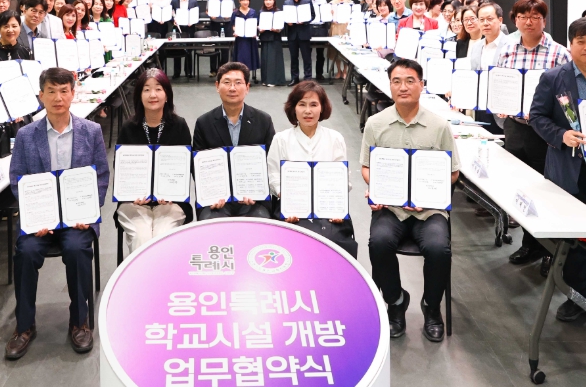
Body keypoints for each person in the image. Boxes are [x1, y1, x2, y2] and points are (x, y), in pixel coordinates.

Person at [6, 67, 110, 359]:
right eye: (51, 91)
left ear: (73, 94)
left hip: (78, 219)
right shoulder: (26, 135)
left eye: (64, 91)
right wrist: (34, 216)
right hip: (41, 220)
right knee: (26, 252)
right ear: (41, 96)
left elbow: (101, 176)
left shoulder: (91, 131)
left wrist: (89, 213)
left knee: (77, 249)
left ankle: (79, 322)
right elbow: (17, 179)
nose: (58, 98)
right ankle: (24, 325)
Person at [361, 58, 459, 342]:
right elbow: (366, 166)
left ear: (421, 85)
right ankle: (395, 301)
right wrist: (375, 187)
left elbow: (453, 172)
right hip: (390, 208)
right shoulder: (376, 124)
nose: (403, 87)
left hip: (429, 211)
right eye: (396, 81)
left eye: (410, 81)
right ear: (390, 86)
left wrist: (429, 194)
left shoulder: (439, 126)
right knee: (379, 243)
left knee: (439, 248)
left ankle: (431, 306)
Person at [496, 0, 572, 272]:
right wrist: (499, 106)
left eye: (535, 17)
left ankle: (549, 249)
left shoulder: (560, 53)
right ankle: (529, 244)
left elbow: (567, 97)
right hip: (515, 127)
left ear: (544, 20)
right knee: (520, 188)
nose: (529, 22)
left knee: (547, 189)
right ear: (515, 20)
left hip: (545, 131)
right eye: (523, 16)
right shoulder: (506, 50)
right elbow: (499, 84)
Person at [530, 17, 586, 322]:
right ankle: (577, 297)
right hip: (570, 168)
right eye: (581, 42)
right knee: (574, 238)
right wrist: (561, 135)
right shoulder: (554, 78)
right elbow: (537, 117)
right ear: (570, 44)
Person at [266, 80, 357, 258]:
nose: (308, 111)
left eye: (314, 104)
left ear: (322, 108)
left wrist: (337, 208)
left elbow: (342, 179)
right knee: (298, 238)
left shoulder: (335, 138)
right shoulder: (281, 139)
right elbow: (274, 176)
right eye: (302, 104)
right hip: (291, 207)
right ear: (294, 108)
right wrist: (288, 200)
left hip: (328, 207)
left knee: (335, 240)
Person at [115, 68, 192, 253]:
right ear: (139, 95)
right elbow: (121, 169)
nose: (152, 95)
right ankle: (142, 273)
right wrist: (132, 194)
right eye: (146, 89)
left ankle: (160, 274)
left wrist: (172, 192)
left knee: (161, 236)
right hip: (133, 202)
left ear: (167, 95)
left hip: (171, 202)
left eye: (158, 89)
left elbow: (186, 167)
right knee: (141, 237)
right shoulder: (128, 127)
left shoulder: (179, 125)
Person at [192, 62, 276, 220]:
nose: (232, 88)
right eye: (227, 82)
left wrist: (257, 193)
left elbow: (271, 163)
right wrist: (211, 194)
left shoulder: (263, 120)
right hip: (216, 201)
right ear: (217, 86)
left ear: (247, 87)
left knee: (259, 224)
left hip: (254, 200)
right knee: (212, 225)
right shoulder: (204, 123)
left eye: (238, 83)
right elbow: (197, 167)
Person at [467, 1, 509, 135]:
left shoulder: (511, 46)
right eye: (481, 20)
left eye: (490, 19)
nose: (485, 23)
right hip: (480, 108)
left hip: (503, 112)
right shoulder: (476, 47)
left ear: (500, 20)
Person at [284, 0, 316, 85]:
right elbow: (284, 17)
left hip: (304, 33)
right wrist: (287, 22)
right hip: (292, 34)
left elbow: (313, 15)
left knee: (307, 58)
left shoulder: (307, 1)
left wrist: (305, 21)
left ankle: (308, 78)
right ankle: (294, 78)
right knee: (293, 58)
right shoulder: (287, 2)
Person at [206, 0, 235, 76]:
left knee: (225, 48)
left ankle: (223, 69)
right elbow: (207, 10)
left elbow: (233, 10)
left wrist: (230, 14)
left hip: (226, 24)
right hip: (214, 24)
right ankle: (213, 70)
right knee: (213, 47)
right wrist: (210, 14)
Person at [169, 0, 197, 79]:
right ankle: (176, 72)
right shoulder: (174, 2)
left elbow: (196, 15)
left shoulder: (193, 2)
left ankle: (188, 72)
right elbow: (170, 14)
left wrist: (192, 21)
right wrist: (173, 21)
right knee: (177, 49)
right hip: (177, 28)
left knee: (189, 50)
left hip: (189, 28)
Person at [258, 0, 286, 87]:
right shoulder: (261, 12)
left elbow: (282, 26)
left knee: (274, 59)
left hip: (275, 37)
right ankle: (265, 79)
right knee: (265, 59)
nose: (268, 2)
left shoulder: (278, 12)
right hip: (264, 37)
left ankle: (274, 80)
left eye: (270, 0)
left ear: (274, 1)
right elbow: (257, 24)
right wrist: (259, 29)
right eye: (266, 0)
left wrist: (277, 29)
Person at [327, 0, 353, 79]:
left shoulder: (350, 3)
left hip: (346, 28)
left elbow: (354, 16)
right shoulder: (332, 3)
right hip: (335, 27)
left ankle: (345, 70)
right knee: (335, 50)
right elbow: (328, 16)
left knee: (346, 50)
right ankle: (339, 70)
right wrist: (330, 16)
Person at [231, 0, 259, 78]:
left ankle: (247, 78)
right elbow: (233, 25)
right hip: (240, 39)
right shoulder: (235, 12)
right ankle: (240, 77)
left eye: (247, 0)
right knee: (240, 58)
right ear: (239, 1)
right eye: (243, 0)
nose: (245, 2)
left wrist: (255, 32)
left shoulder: (253, 12)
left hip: (250, 39)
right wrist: (235, 31)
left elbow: (256, 24)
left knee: (249, 58)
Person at [307, 0, 329, 80]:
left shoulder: (323, 1)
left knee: (320, 53)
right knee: (307, 53)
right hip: (309, 28)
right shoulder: (305, 1)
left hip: (321, 28)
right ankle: (308, 75)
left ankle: (319, 74)